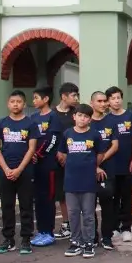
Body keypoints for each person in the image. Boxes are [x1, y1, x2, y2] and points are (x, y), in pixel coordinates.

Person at [0, 90, 40, 255]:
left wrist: (19, 169)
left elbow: (32, 148)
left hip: (25, 172)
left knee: (26, 205)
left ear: (24, 104)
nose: (16, 104)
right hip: (5, 171)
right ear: (8, 104)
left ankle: (26, 239)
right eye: (13, 102)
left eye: (19, 102)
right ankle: (8, 239)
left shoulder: (30, 124)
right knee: (7, 206)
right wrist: (6, 169)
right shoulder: (1, 124)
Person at [58, 104, 106, 259]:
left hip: (88, 181)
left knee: (88, 214)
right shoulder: (67, 134)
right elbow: (61, 153)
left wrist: (94, 166)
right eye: (80, 115)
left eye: (86, 116)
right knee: (72, 213)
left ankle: (89, 243)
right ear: (74, 116)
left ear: (90, 119)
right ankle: (75, 242)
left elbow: (100, 153)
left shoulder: (94, 135)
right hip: (71, 181)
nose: (82, 119)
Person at [104, 86, 132, 244]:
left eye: (118, 98)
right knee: (112, 196)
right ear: (108, 101)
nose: (116, 101)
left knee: (126, 196)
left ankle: (126, 228)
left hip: (127, 163)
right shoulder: (106, 119)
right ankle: (114, 227)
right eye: (113, 98)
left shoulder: (130, 116)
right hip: (111, 165)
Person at [30, 87, 63, 247]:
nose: (34, 101)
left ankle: (49, 232)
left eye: (36, 98)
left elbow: (53, 139)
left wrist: (39, 154)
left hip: (48, 164)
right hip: (34, 165)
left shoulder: (53, 117)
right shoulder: (33, 117)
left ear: (46, 99)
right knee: (38, 198)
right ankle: (40, 231)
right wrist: (31, 154)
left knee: (48, 198)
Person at [88, 91, 120, 252]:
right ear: (92, 103)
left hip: (108, 170)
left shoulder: (111, 121)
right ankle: (92, 237)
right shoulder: (87, 122)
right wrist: (94, 165)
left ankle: (107, 237)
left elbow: (115, 145)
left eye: (104, 101)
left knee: (108, 204)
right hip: (88, 170)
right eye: (99, 101)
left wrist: (100, 161)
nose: (102, 104)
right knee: (89, 205)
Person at [52, 82, 80, 240]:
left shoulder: (77, 113)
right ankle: (66, 224)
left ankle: (80, 226)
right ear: (63, 96)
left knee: (79, 193)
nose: (76, 98)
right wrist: (59, 154)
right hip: (57, 159)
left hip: (76, 159)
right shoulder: (52, 114)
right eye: (73, 95)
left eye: (77, 95)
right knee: (62, 193)